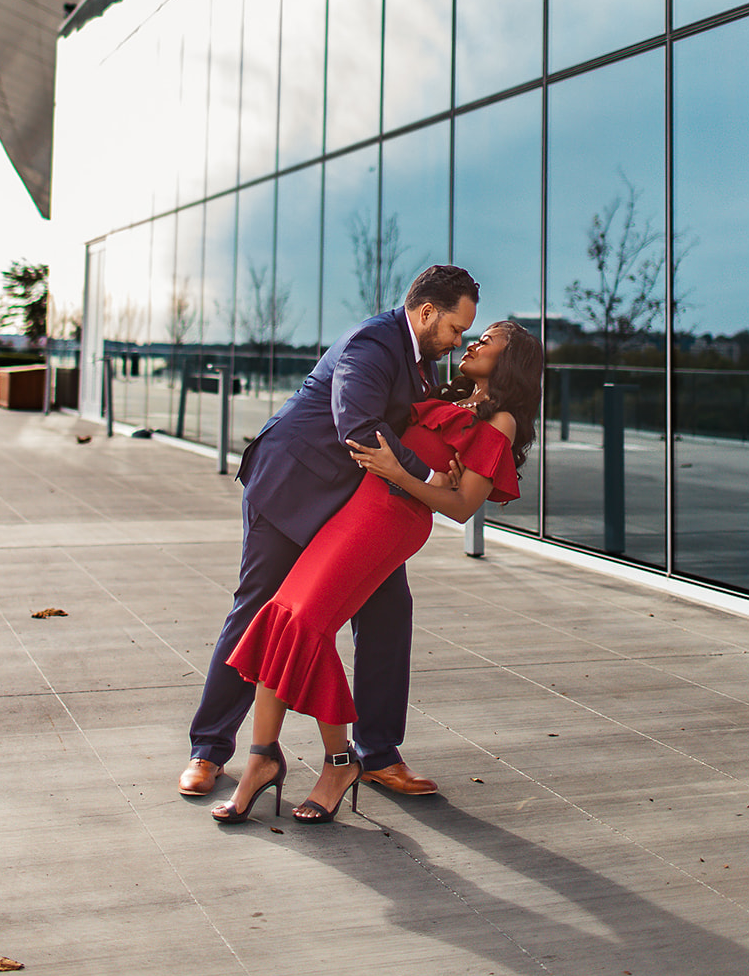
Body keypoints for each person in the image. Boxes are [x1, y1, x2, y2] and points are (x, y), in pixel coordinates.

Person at [210, 320, 544, 823]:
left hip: (392, 519)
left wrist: (399, 474)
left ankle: (339, 764)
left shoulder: (502, 424)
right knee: (282, 614)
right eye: (470, 332)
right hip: (357, 507)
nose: (471, 343)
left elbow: (459, 507)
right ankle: (262, 759)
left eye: (486, 339)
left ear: (511, 360)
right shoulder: (445, 394)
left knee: (307, 623)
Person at [178, 264, 481, 799]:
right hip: (291, 487)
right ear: (427, 311)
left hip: (351, 506)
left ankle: (378, 755)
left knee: (389, 611)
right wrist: (430, 475)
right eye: (456, 328)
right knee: (257, 607)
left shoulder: (420, 362)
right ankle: (209, 749)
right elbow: (360, 428)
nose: (459, 340)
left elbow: (416, 422)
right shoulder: (373, 343)